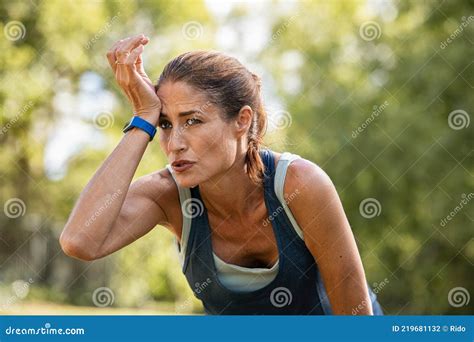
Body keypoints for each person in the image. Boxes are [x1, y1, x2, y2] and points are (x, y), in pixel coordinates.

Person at [60, 34, 383, 315]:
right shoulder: (169, 196)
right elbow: (80, 241)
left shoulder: (300, 185)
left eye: (193, 121)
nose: (175, 144)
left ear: (242, 120)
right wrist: (143, 118)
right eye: (165, 124)